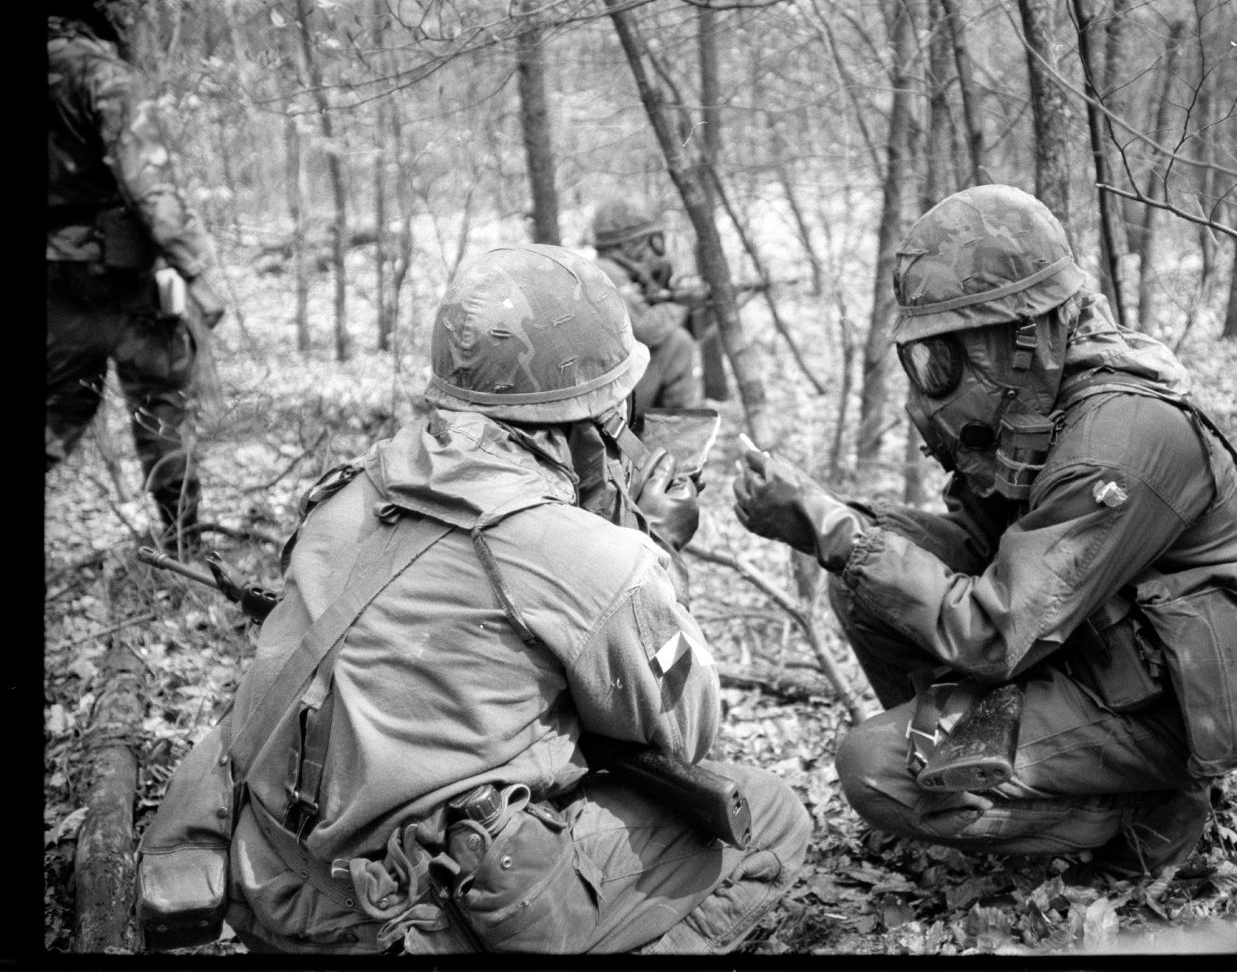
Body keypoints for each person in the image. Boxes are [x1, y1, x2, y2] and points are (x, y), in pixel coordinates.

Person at [212, 245, 809, 954]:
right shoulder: (586, 556)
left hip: (272, 888)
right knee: (769, 814)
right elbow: (686, 730)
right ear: (593, 422)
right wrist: (654, 553)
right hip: (407, 921)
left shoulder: (354, 488)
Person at [732, 185, 1237, 877]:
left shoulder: (1118, 438)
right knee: (865, 581)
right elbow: (984, 542)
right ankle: (973, 758)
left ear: (1023, 335)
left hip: (1170, 704)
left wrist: (835, 530)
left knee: (874, 766)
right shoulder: (1045, 398)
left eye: (951, 352)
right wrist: (846, 535)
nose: (936, 377)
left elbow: (995, 630)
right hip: (1090, 654)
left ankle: (1144, 811)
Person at [47, 0, 230, 552]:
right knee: (160, 403)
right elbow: (149, 185)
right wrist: (197, 268)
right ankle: (185, 545)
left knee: (56, 411)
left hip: (56, 284)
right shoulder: (103, 75)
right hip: (119, 277)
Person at [590, 197, 705, 410]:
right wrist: (680, 303)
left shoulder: (600, 270)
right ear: (630, 245)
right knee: (679, 344)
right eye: (652, 241)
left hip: (598, 391)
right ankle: (677, 433)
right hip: (605, 400)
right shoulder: (608, 274)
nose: (655, 253)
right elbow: (648, 330)